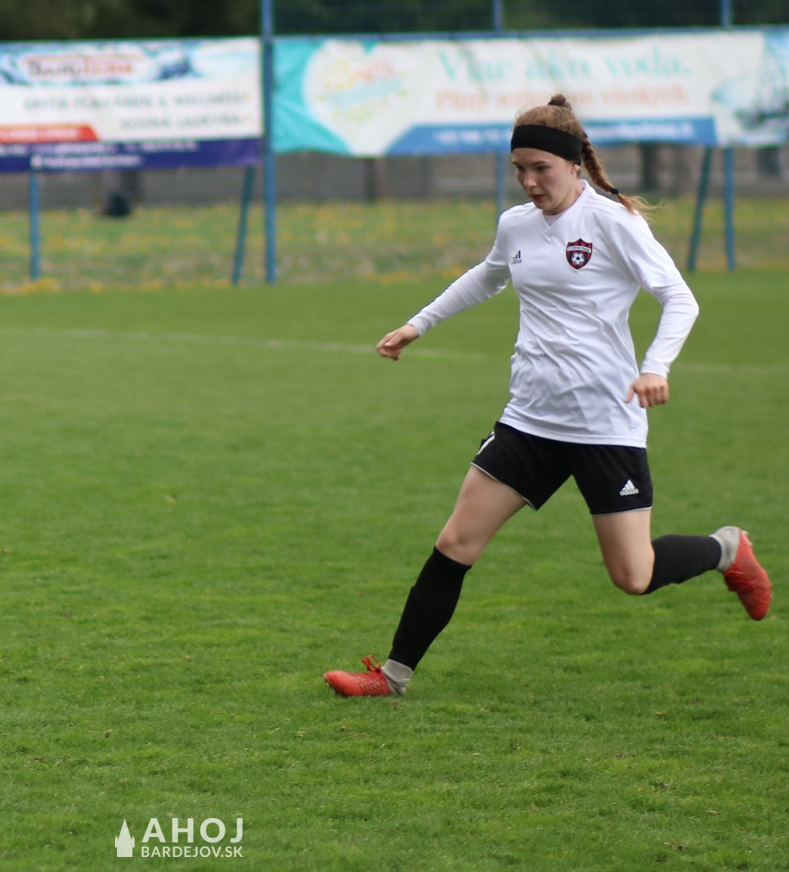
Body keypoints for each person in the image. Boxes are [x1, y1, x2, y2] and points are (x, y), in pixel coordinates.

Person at [324, 95, 771, 699]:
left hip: (605, 423)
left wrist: (653, 367)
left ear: (573, 165)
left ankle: (726, 549)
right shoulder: (516, 224)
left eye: (542, 169)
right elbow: (487, 274)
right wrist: (418, 324)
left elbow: (679, 298)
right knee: (455, 543)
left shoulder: (613, 222)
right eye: (520, 170)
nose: (530, 182)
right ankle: (391, 676)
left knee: (633, 576)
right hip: (530, 420)